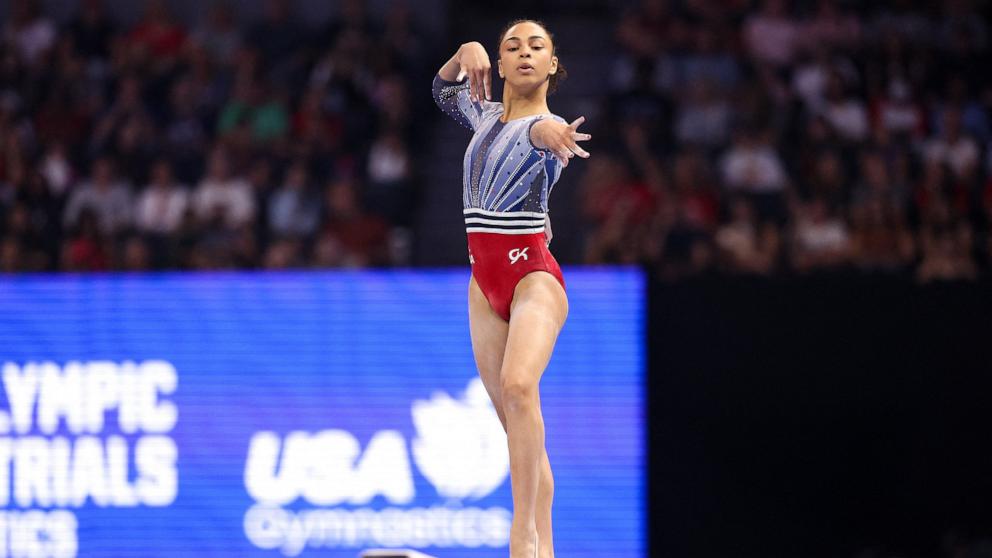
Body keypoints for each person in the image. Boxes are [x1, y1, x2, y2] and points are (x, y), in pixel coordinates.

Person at [432, 19, 590, 558]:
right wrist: (464, 49)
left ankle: (522, 536)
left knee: (520, 388)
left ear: (553, 64)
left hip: (532, 279)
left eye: (537, 47)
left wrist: (553, 134)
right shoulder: (483, 114)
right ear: (497, 66)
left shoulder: (549, 126)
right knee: (518, 428)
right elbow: (442, 89)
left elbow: (543, 133)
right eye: (512, 47)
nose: (525, 53)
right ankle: (546, 549)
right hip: (484, 284)